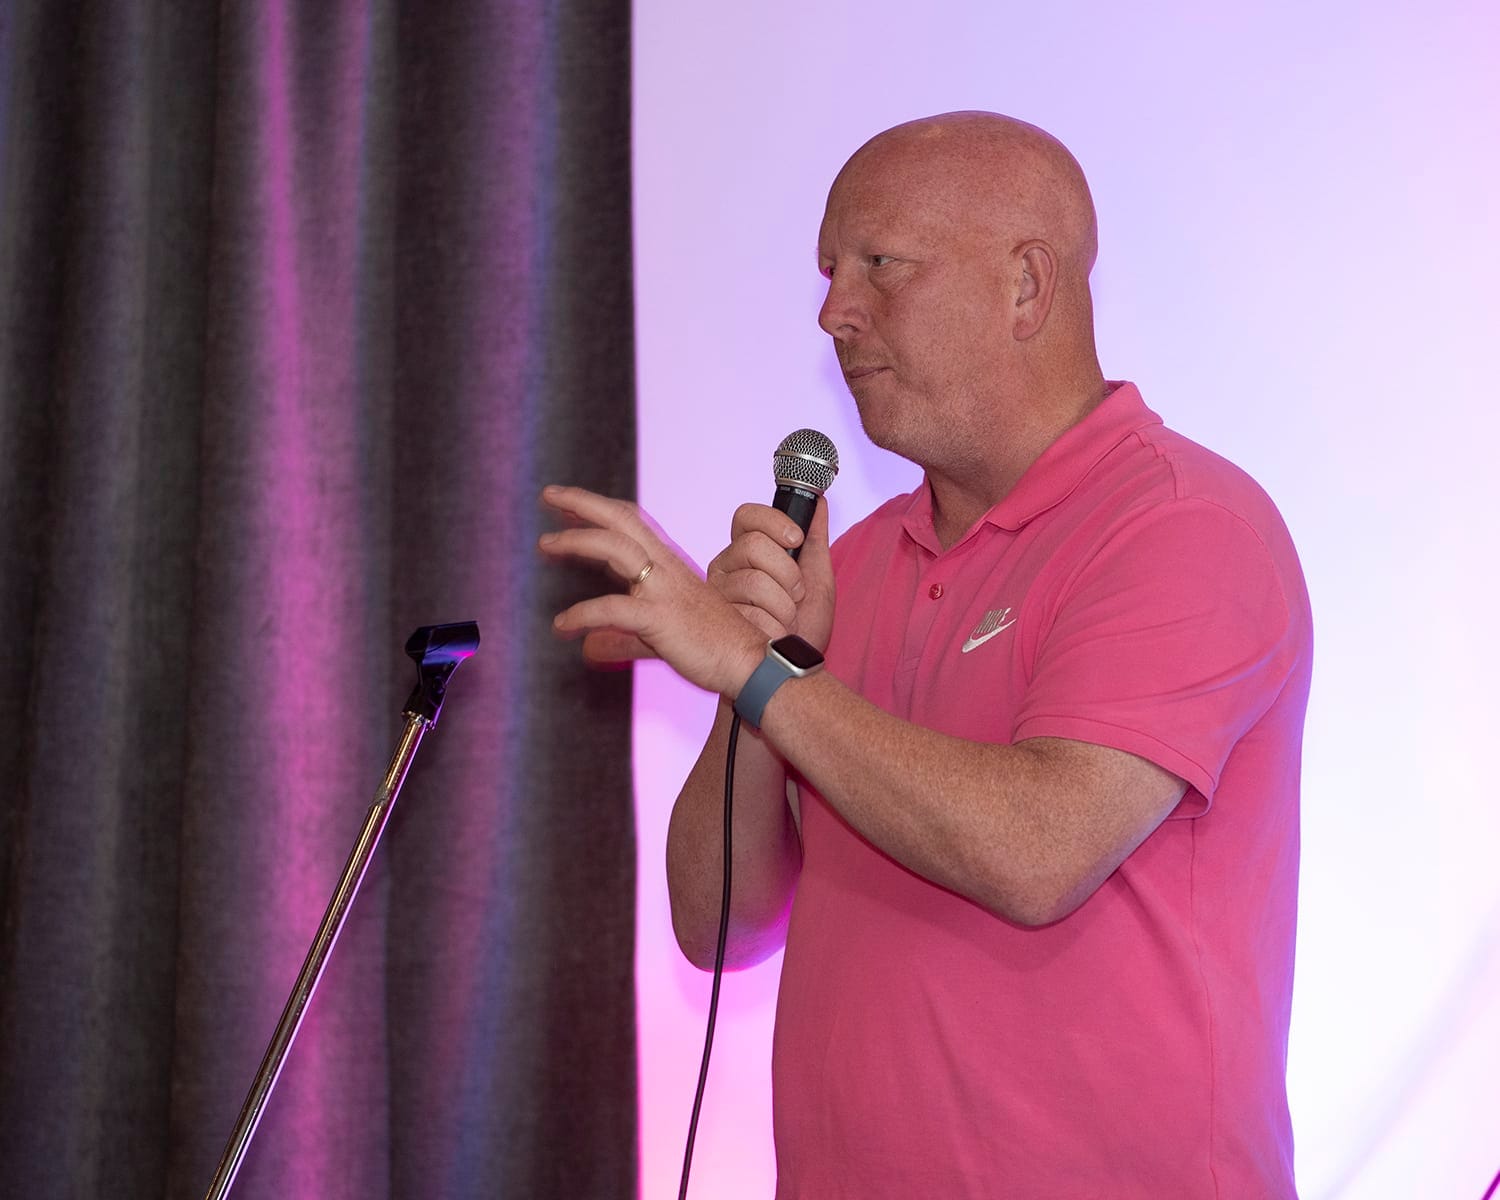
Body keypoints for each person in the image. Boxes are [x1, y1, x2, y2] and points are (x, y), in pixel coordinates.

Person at [538, 112, 1311, 1198]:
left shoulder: (1186, 526)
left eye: (881, 265)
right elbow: (718, 924)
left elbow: (1038, 852)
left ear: (1027, 286)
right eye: (830, 272)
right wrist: (752, 670)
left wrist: (759, 672)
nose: (834, 312)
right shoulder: (850, 561)